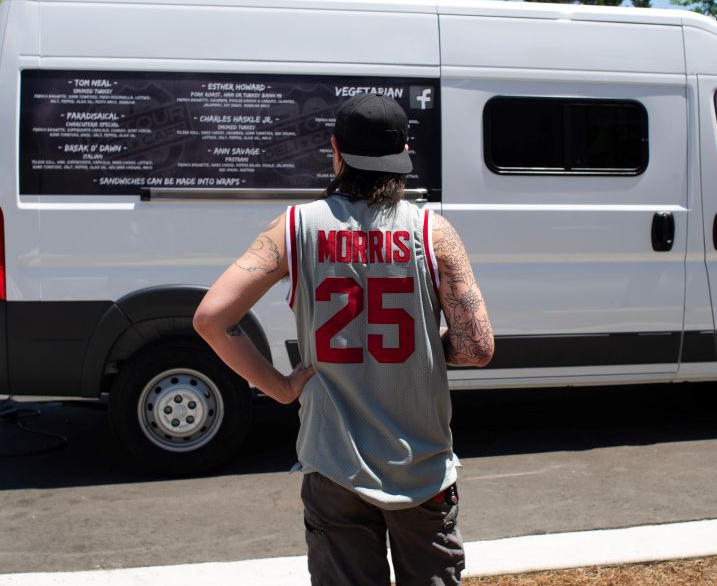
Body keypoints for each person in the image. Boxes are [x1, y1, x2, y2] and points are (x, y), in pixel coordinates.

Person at [193, 92, 494, 586]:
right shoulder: (433, 231)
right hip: (421, 467)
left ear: (335, 149)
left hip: (333, 466)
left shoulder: (294, 227)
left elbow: (211, 319)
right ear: (402, 154)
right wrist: (425, 345)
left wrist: (281, 387)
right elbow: (477, 347)